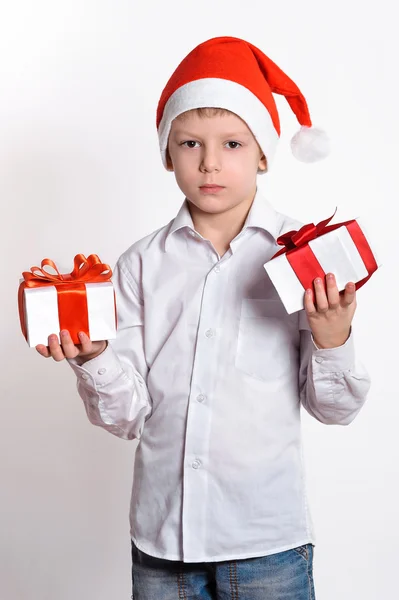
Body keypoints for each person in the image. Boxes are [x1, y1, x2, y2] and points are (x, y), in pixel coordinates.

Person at [36, 36, 371, 599]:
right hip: (162, 545)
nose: (210, 162)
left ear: (263, 153)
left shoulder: (298, 256)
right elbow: (126, 416)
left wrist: (333, 338)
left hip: (268, 542)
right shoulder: (141, 264)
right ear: (168, 153)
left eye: (233, 144)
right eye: (190, 143)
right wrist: (94, 358)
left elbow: (334, 410)